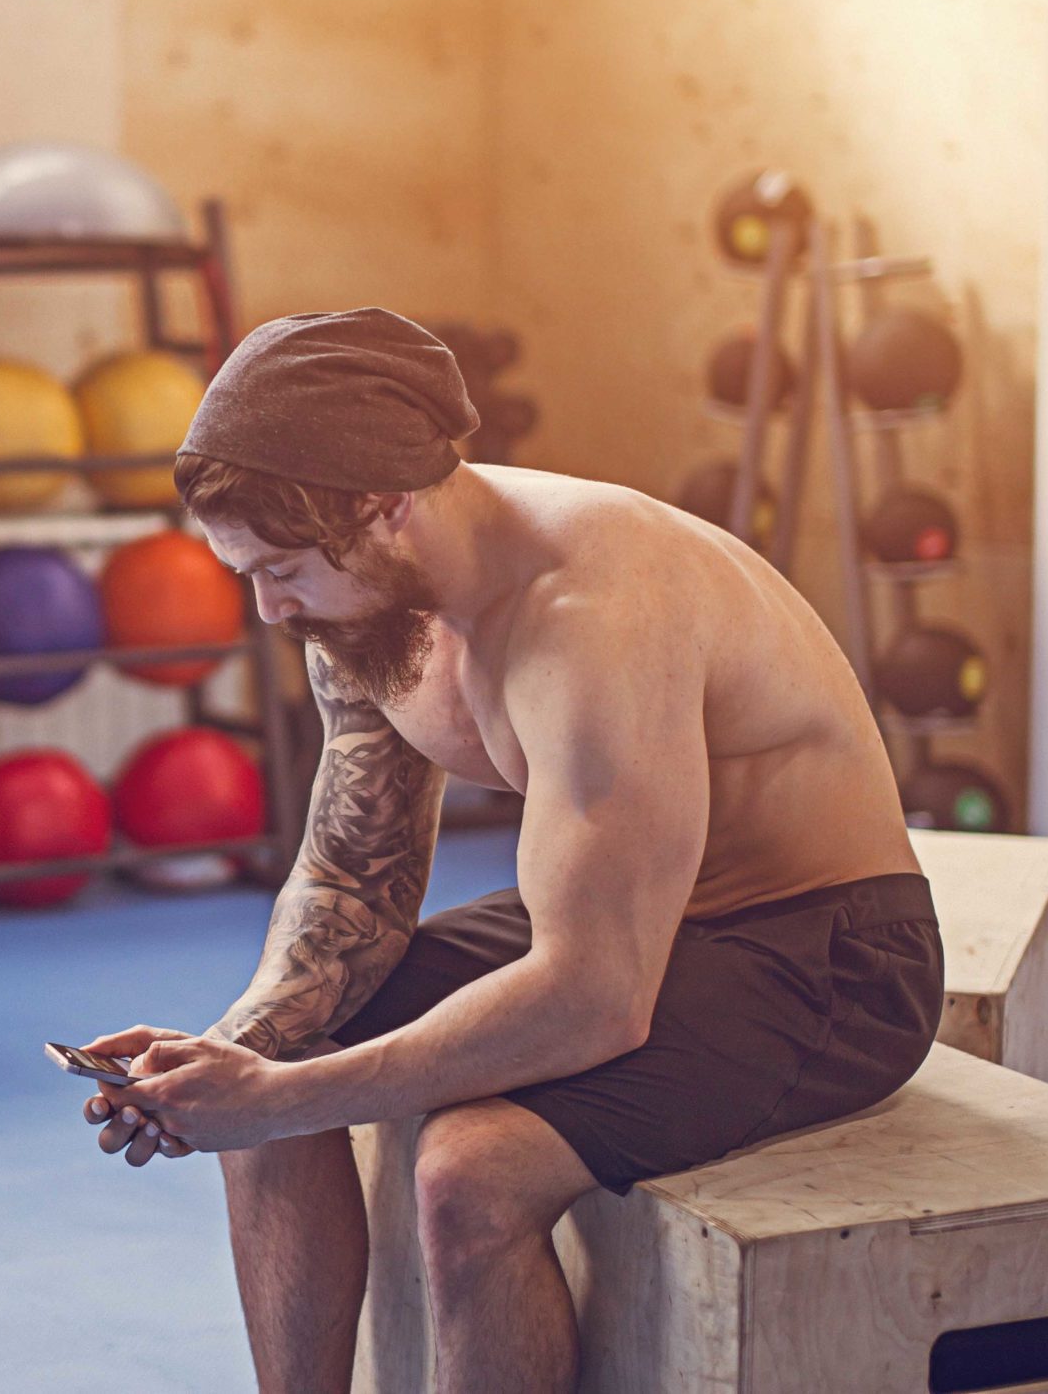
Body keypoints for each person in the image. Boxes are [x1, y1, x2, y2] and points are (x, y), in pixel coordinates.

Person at [72, 308, 942, 1394]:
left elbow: (596, 997)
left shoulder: (589, 611)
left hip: (822, 951)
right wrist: (233, 1060)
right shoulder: (360, 602)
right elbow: (352, 877)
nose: (265, 606)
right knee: (276, 1051)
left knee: (470, 1172)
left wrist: (282, 1098)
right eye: (246, 570)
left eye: (282, 567)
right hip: (630, 922)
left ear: (382, 508)